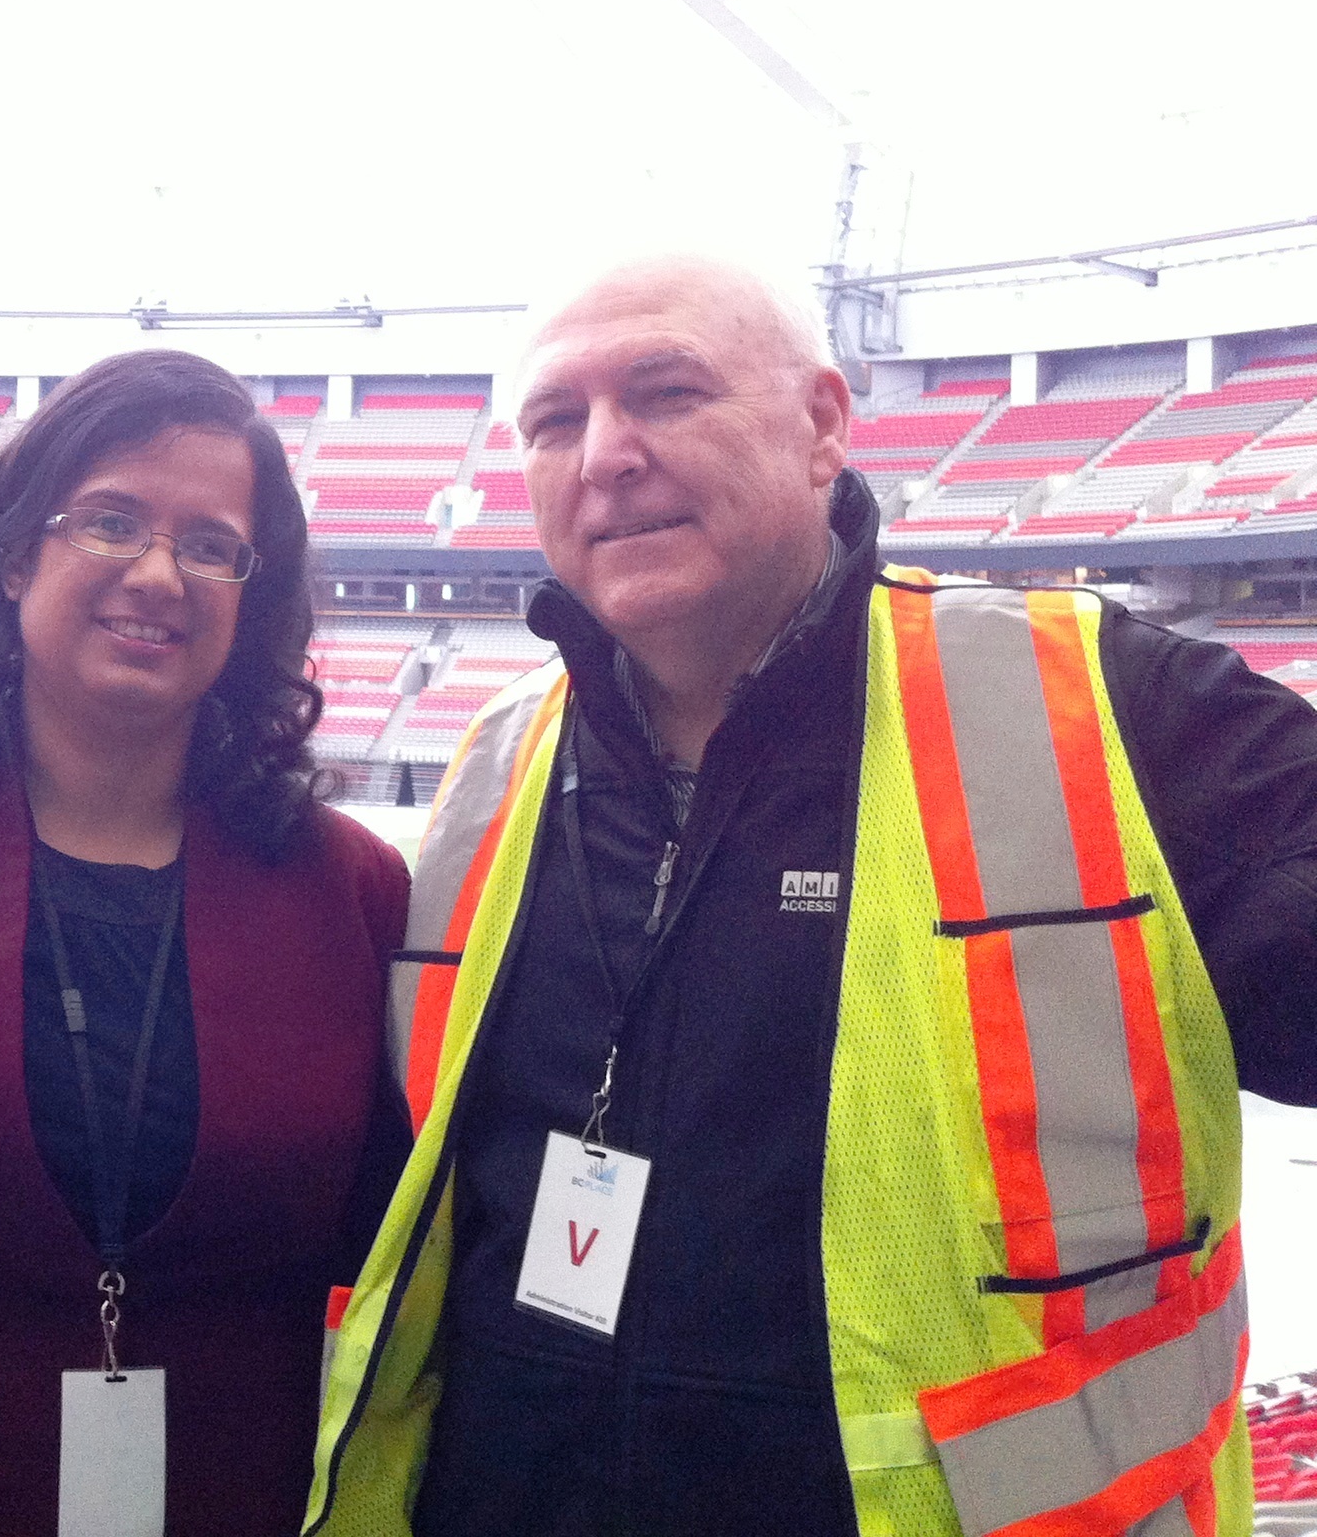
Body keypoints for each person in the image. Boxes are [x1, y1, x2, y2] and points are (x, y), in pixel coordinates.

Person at [310, 258, 1317, 1537]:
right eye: (554, 421)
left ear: (824, 428)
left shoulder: (1106, 710)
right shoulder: (492, 773)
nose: (605, 454)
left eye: (667, 392)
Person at [0, 349, 414, 1535]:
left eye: (211, 543)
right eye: (111, 521)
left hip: (236, 1495)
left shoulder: (351, 891)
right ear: (17, 552)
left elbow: (395, 1246)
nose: (160, 573)